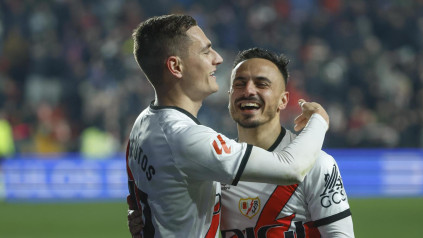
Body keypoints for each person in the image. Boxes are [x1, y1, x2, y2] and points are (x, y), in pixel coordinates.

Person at [126, 14, 329, 237]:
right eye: (206, 51)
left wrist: (146, 222)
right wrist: (319, 120)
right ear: (175, 66)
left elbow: (140, 199)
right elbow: (292, 168)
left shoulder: (143, 122)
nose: (218, 58)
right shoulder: (187, 138)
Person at [220, 48, 354, 237]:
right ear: (230, 96)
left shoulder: (318, 164)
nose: (248, 90)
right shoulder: (217, 164)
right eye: (240, 84)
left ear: (283, 100)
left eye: (262, 84)